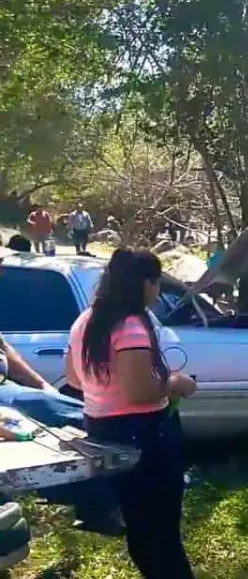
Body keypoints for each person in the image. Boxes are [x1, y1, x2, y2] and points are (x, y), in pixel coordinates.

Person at [68, 248, 197, 578]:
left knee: (141, 527)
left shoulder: (86, 320)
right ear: (145, 283)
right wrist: (174, 383)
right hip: (144, 434)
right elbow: (139, 391)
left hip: (102, 428)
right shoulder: (131, 327)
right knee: (162, 533)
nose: (157, 293)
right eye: (156, 284)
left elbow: (72, 377)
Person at [1, 333, 121, 533]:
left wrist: (43, 387)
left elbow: (5, 351)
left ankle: (99, 508)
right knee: (76, 415)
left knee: (77, 435)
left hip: (7, 386)